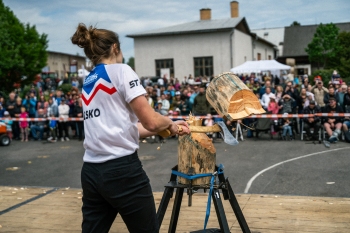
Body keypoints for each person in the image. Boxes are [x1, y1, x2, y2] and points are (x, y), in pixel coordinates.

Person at [71, 23, 190, 233]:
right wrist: (170, 123)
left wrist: (167, 127)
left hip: (91, 172)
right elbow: (151, 121)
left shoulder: (89, 81)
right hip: (122, 171)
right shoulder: (121, 70)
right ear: (115, 48)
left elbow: (129, 129)